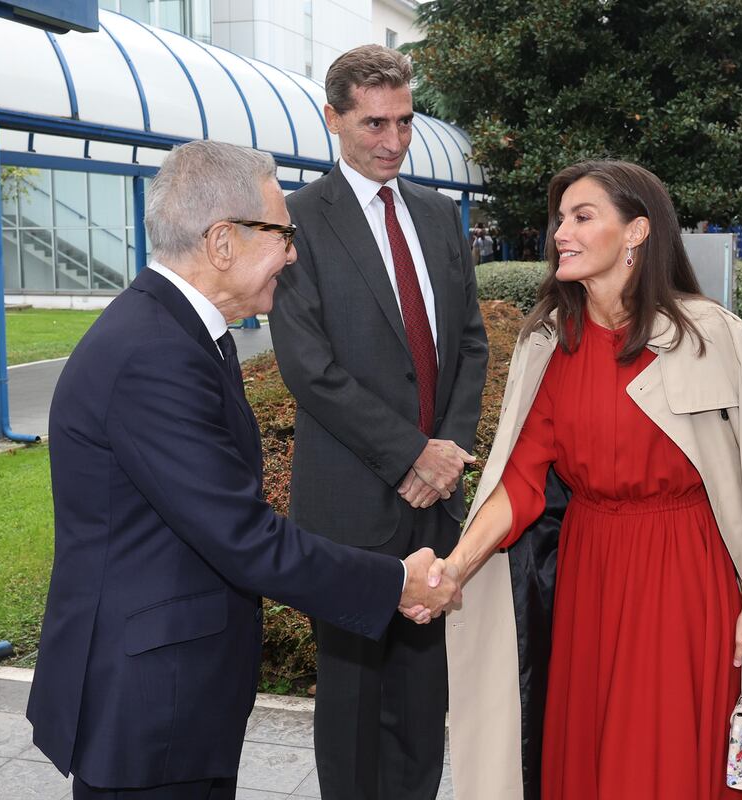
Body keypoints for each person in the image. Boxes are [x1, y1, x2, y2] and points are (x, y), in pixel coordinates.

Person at [26, 140, 459, 800]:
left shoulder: (178, 331)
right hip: (147, 705)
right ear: (222, 242)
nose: (292, 252)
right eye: (283, 233)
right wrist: (396, 582)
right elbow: (243, 537)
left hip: (174, 689)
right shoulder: (154, 354)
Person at [439, 160, 742, 799]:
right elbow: (521, 482)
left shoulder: (708, 336)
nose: (562, 231)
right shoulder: (550, 345)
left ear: (637, 232)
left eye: (582, 217)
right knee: (593, 753)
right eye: (560, 219)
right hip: (592, 576)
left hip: (688, 577)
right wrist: (454, 568)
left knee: (665, 755)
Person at [268, 45, 489, 800]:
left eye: (404, 120)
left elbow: (469, 342)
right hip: (352, 503)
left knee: (425, 700)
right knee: (355, 705)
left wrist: (449, 455)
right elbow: (309, 367)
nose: (393, 141)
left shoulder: (435, 213)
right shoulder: (294, 221)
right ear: (333, 119)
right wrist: (409, 456)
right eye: (372, 124)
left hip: (438, 504)